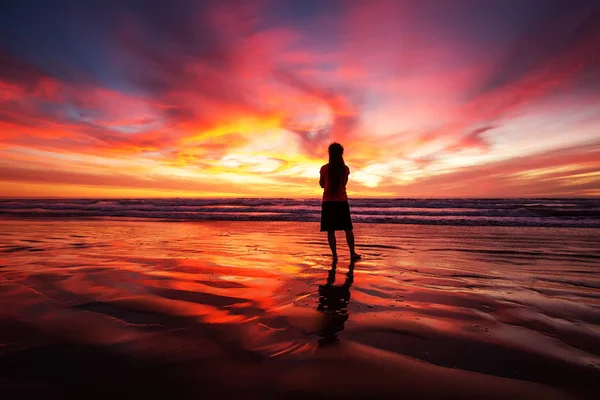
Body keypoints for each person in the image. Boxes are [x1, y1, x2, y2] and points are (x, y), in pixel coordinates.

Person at [319, 142, 360, 261]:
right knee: (347, 228)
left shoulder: (324, 168)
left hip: (328, 202)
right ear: (341, 154)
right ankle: (352, 253)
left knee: (331, 230)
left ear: (330, 154)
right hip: (341, 201)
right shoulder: (345, 169)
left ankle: (335, 255)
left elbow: (322, 184)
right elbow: (344, 184)